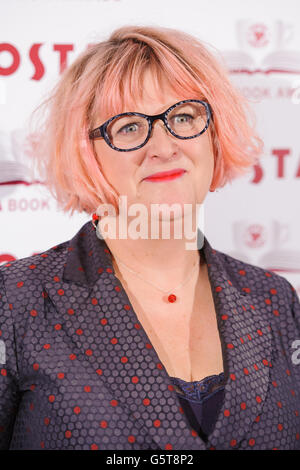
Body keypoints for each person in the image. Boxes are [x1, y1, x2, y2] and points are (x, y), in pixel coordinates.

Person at [0, 25, 300, 451]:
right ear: (87, 155)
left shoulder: (275, 300)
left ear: (214, 134)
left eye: (182, 117)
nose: (163, 146)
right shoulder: (15, 301)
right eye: (128, 127)